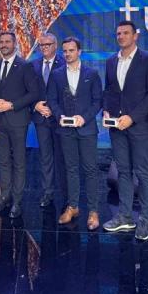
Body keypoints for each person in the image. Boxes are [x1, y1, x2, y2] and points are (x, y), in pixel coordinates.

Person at [102, 20, 148, 238]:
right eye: (118, 33)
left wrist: (132, 118)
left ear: (135, 36)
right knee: (123, 172)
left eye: (125, 33)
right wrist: (106, 111)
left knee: (143, 174)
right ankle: (125, 216)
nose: (121, 36)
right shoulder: (111, 61)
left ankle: (144, 220)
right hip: (117, 128)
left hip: (140, 127)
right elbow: (109, 90)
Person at [46, 37, 103, 230]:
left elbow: (97, 101)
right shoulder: (56, 75)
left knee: (90, 169)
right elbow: (52, 99)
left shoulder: (92, 74)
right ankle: (73, 207)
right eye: (65, 51)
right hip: (65, 130)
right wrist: (60, 116)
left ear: (79, 52)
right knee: (70, 169)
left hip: (87, 129)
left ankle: (93, 211)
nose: (68, 54)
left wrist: (84, 118)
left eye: (71, 50)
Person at [0, 31, 40, 219]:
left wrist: (11, 105)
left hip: (18, 120)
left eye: (7, 42)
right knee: (3, 160)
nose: (3, 44)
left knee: (19, 162)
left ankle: (17, 202)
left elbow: (33, 93)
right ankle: (5, 196)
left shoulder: (25, 66)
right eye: (1, 42)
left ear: (14, 44)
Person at [31, 33, 65, 208]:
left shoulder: (64, 63)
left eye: (47, 44)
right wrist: (35, 105)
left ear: (55, 45)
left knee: (62, 157)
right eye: (41, 45)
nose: (44, 48)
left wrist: (55, 108)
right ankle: (48, 192)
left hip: (60, 118)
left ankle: (65, 193)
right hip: (40, 118)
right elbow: (27, 91)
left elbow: (69, 91)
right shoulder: (33, 65)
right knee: (45, 157)